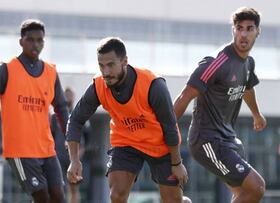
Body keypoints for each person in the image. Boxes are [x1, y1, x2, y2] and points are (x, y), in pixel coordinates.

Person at [66, 37, 191, 203]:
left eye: (111, 65)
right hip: (126, 142)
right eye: (101, 66)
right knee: (116, 195)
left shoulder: (153, 85)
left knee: (173, 201)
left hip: (160, 145)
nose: (106, 72)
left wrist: (176, 163)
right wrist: (74, 160)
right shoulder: (98, 86)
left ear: (124, 61)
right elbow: (75, 120)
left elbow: (170, 126)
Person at [173, 7, 266, 203]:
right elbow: (184, 97)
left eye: (249, 29)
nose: (243, 34)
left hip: (227, 140)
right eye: (239, 28)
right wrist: (163, 134)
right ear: (233, 29)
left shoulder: (248, 63)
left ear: (258, 31)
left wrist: (257, 114)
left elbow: (248, 88)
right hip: (206, 140)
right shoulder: (216, 63)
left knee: (245, 194)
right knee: (257, 187)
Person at [0, 19, 69, 203]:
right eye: (30, 40)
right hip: (20, 151)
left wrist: (70, 136)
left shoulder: (51, 72)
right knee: (42, 198)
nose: (35, 44)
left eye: (40, 40)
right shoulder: (7, 69)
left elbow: (60, 106)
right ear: (21, 41)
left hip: (46, 149)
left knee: (59, 197)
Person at [50, 87, 92, 203]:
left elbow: (87, 136)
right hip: (59, 156)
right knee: (57, 186)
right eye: (66, 95)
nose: (68, 97)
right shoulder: (54, 117)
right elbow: (51, 135)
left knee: (73, 188)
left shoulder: (80, 115)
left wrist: (80, 151)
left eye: (70, 95)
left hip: (74, 156)